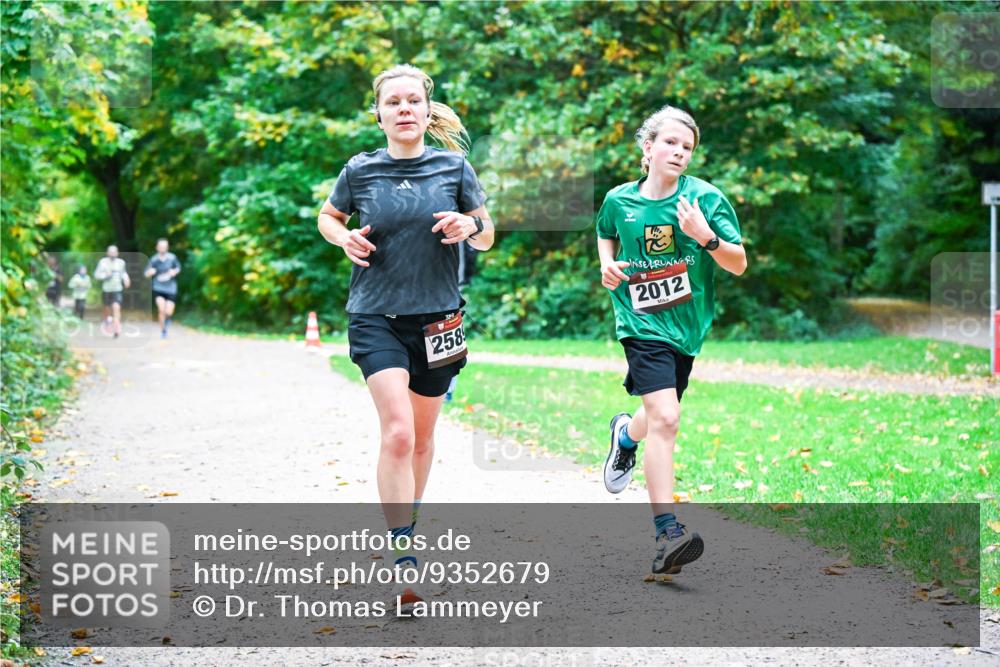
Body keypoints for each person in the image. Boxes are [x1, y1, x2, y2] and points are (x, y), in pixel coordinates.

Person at [317, 64, 494, 611]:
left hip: (439, 321)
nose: (404, 109)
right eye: (393, 102)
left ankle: (408, 522)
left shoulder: (454, 166)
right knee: (396, 433)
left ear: (425, 108)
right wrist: (343, 236)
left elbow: (487, 233)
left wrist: (471, 228)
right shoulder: (360, 170)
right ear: (379, 114)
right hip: (375, 316)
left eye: (412, 101)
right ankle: (402, 552)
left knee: (420, 437)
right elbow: (328, 217)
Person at [596, 105, 747, 575]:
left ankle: (624, 434)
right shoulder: (619, 200)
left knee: (656, 416)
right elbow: (605, 233)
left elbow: (738, 263)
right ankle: (668, 533)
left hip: (686, 327)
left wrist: (704, 237)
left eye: (687, 147)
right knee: (667, 416)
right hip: (639, 322)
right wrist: (608, 264)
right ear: (648, 147)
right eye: (670, 143)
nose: (679, 152)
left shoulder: (705, 200)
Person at [144, 238, 181, 338]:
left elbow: (178, 268)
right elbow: (146, 273)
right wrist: (149, 273)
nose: (162, 248)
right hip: (158, 287)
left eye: (164, 246)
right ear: (157, 247)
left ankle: (168, 318)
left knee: (168, 311)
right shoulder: (154, 259)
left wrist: (174, 272)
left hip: (171, 288)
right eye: (161, 246)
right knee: (161, 309)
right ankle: (163, 331)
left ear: (167, 247)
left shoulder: (172, 258)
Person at [94, 245, 130, 338]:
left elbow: (124, 273)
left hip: (117, 289)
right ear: (107, 253)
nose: (113, 254)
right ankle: (107, 320)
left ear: (117, 253)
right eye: (111, 252)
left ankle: (116, 328)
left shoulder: (121, 262)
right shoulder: (102, 262)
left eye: (114, 252)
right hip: (106, 289)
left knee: (116, 308)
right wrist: (105, 275)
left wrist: (126, 279)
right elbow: (96, 275)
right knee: (107, 309)